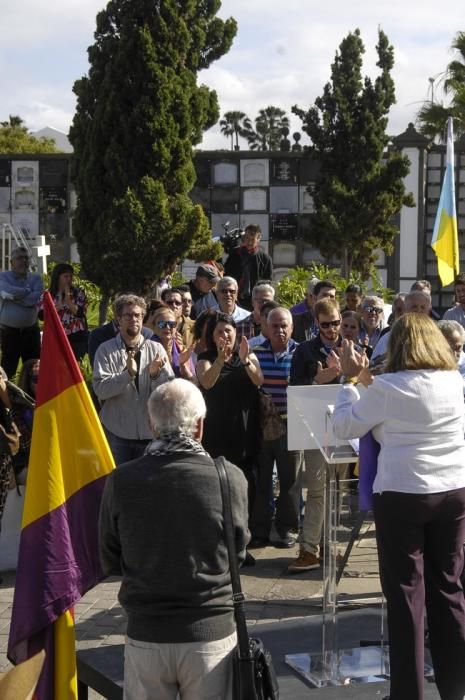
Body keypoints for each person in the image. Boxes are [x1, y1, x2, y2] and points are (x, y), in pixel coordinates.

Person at [332, 314, 465, 700]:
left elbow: (345, 426)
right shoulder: (453, 381)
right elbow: (404, 401)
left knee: (407, 595)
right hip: (453, 489)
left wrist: (348, 380)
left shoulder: (388, 387)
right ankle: (455, 689)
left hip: (404, 493)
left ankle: (408, 694)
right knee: (450, 589)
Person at [99, 379, 249, 700]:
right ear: (199, 427)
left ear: (151, 425)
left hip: (147, 636)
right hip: (210, 637)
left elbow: (109, 556)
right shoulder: (230, 478)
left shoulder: (122, 481)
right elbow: (237, 553)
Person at [288, 298, 343, 572]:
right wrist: (317, 381)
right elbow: (295, 391)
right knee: (318, 491)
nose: (332, 329)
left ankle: (329, 546)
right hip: (316, 429)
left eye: (336, 323)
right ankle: (310, 549)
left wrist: (346, 374)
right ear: (316, 323)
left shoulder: (352, 348)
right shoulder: (305, 351)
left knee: (338, 491)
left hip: (346, 430)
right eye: (326, 325)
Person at [93, 294, 174, 465]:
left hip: (149, 435)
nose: (133, 319)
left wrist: (154, 375)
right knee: (117, 485)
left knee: (145, 489)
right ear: (118, 319)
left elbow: (168, 392)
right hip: (117, 434)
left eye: (137, 315)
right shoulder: (105, 350)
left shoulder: (157, 349)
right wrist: (127, 375)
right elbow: (100, 389)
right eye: (128, 315)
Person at [196, 312, 263, 509]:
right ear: (212, 335)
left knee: (246, 482)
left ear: (236, 332)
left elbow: (258, 380)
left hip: (245, 429)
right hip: (216, 432)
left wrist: (244, 360)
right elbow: (207, 382)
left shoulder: (248, 355)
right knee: (218, 484)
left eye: (228, 330)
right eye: (220, 331)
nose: (225, 335)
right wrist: (219, 360)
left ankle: (245, 529)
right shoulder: (205, 358)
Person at [250, 307, 302, 549]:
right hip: (261, 427)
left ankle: (288, 528)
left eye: (284, 326)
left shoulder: (302, 353)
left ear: (292, 328)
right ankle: (259, 530)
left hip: (292, 426)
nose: (280, 330)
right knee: (262, 482)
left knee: (290, 481)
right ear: (266, 328)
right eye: (275, 326)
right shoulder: (254, 354)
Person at [0, 246, 43, 378]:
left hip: (31, 332)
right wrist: (26, 292)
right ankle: (6, 397)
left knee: (34, 369)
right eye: (20, 258)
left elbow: (35, 298)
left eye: (26, 258)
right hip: (9, 333)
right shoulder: (2, 277)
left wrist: (12, 297)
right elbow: (7, 291)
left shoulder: (36, 279)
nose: (24, 261)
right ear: (11, 262)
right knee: (8, 370)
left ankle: (31, 397)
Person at [38, 263, 88, 361]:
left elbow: (80, 313)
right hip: (56, 336)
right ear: (57, 277)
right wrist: (58, 306)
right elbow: (42, 316)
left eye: (71, 276)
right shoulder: (47, 295)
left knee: (76, 365)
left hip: (76, 336)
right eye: (65, 276)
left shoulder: (79, 293)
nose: (69, 279)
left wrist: (69, 301)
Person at [224, 224, 273, 309]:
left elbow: (267, 281)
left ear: (258, 239)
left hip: (255, 300)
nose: (249, 242)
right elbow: (226, 275)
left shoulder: (265, 259)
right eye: (247, 238)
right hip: (235, 297)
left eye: (252, 239)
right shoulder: (234, 255)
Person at [146, 304, 195, 381]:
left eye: (172, 324)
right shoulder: (146, 349)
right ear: (154, 327)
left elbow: (193, 381)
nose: (168, 327)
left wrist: (182, 365)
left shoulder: (181, 349)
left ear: (176, 328)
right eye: (162, 324)